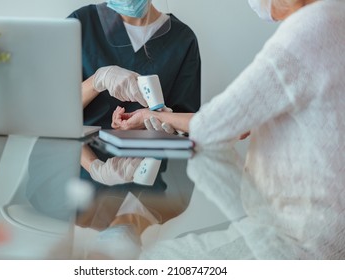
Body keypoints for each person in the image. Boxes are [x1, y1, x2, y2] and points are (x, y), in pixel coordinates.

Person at [113, 0, 345, 259]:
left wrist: (150, 114)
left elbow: (213, 128)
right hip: (333, 231)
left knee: (151, 261)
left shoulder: (304, 35)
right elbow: (238, 123)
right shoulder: (337, 19)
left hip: (298, 239)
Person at [67, 0, 201, 131]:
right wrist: (97, 81)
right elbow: (53, 111)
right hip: (82, 148)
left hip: (149, 150)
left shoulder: (182, 39)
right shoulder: (80, 23)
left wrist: (164, 121)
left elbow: (187, 124)